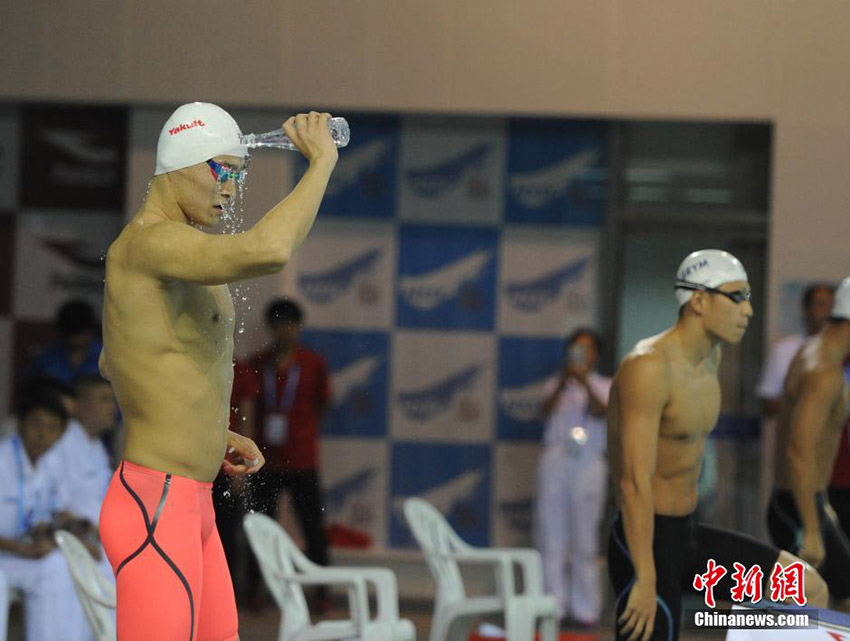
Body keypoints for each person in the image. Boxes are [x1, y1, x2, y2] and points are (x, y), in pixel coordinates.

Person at [97, 103, 339, 641]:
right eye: (222, 170)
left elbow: (115, 361)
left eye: (239, 174)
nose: (231, 189)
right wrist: (321, 161)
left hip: (193, 502)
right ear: (180, 163)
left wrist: (209, 430)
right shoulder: (150, 242)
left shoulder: (174, 253)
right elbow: (270, 249)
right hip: (155, 504)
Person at [607, 249, 827, 641]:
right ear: (699, 300)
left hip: (688, 535)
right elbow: (633, 482)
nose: (749, 310)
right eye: (737, 297)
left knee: (808, 589)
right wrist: (645, 576)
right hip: (643, 542)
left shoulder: (712, 358)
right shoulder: (648, 367)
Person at [767, 276, 850, 611]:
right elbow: (798, 451)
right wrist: (813, 529)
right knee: (803, 613)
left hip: (802, 502)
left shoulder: (809, 351)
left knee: (831, 604)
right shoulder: (825, 371)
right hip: (799, 509)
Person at [244, 298, 332, 611]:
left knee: (313, 529)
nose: (286, 330)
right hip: (265, 461)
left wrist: (302, 430)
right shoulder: (257, 363)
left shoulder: (313, 364)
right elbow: (248, 408)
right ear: (271, 327)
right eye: (280, 324)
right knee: (259, 529)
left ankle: (321, 592)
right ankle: (254, 590)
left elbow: (322, 404)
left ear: (299, 327)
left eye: (291, 324)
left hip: (302, 459)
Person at [0, 389, 94, 641]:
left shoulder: (45, 466)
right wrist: (23, 549)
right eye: (36, 424)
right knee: (53, 569)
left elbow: (47, 515)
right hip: (10, 552)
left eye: (52, 428)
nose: (42, 434)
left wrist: (78, 536)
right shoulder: (3, 461)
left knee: (66, 566)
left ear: (60, 434)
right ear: (21, 423)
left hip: (18, 554)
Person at [535, 327, 611, 629]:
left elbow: (603, 411)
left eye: (586, 349)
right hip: (557, 461)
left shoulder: (605, 384)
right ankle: (553, 605)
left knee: (585, 537)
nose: (581, 354)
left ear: (596, 355)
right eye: (576, 349)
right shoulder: (555, 384)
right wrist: (565, 381)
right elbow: (544, 410)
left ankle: (586, 608)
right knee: (552, 535)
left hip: (589, 463)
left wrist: (584, 382)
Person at [757, 283, 835, 417]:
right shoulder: (784, 349)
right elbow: (768, 405)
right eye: (822, 305)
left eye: (832, 307)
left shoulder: (844, 352)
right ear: (806, 308)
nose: (828, 313)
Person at [26, 299, 103, 384]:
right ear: (62, 332)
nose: (77, 338)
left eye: (82, 332)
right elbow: (31, 387)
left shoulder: (104, 355)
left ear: (91, 331)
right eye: (73, 333)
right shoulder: (46, 358)